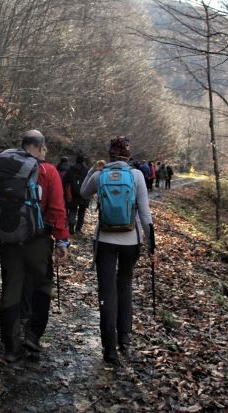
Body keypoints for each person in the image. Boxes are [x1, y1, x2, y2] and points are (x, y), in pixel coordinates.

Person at [0, 130, 70, 362]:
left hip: (9, 239)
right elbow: (56, 209)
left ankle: (11, 346)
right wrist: (61, 240)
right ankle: (33, 335)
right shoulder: (47, 170)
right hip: (38, 239)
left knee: (11, 287)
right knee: (43, 283)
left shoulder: (5, 166)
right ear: (40, 147)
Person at [80, 136, 155, 363]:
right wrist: (152, 246)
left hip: (104, 240)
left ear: (110, 154)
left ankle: (109, 350)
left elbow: (83, 193)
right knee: (125, 288)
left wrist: (93, 168)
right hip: (131, 241)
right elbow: (144, 213)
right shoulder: (137, 176)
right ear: (128, 156)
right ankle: (125, 340)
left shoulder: (99, 175)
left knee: (107, 293)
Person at [64, 154, 90, 234]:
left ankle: (71, 227)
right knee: (82, 211)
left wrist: (65, 193)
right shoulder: (87, 170)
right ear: (83, 161)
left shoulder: (71, 169)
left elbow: (65, 181)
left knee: (72, 210)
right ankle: (78, 228)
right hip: (84, 194)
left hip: (72, 194)